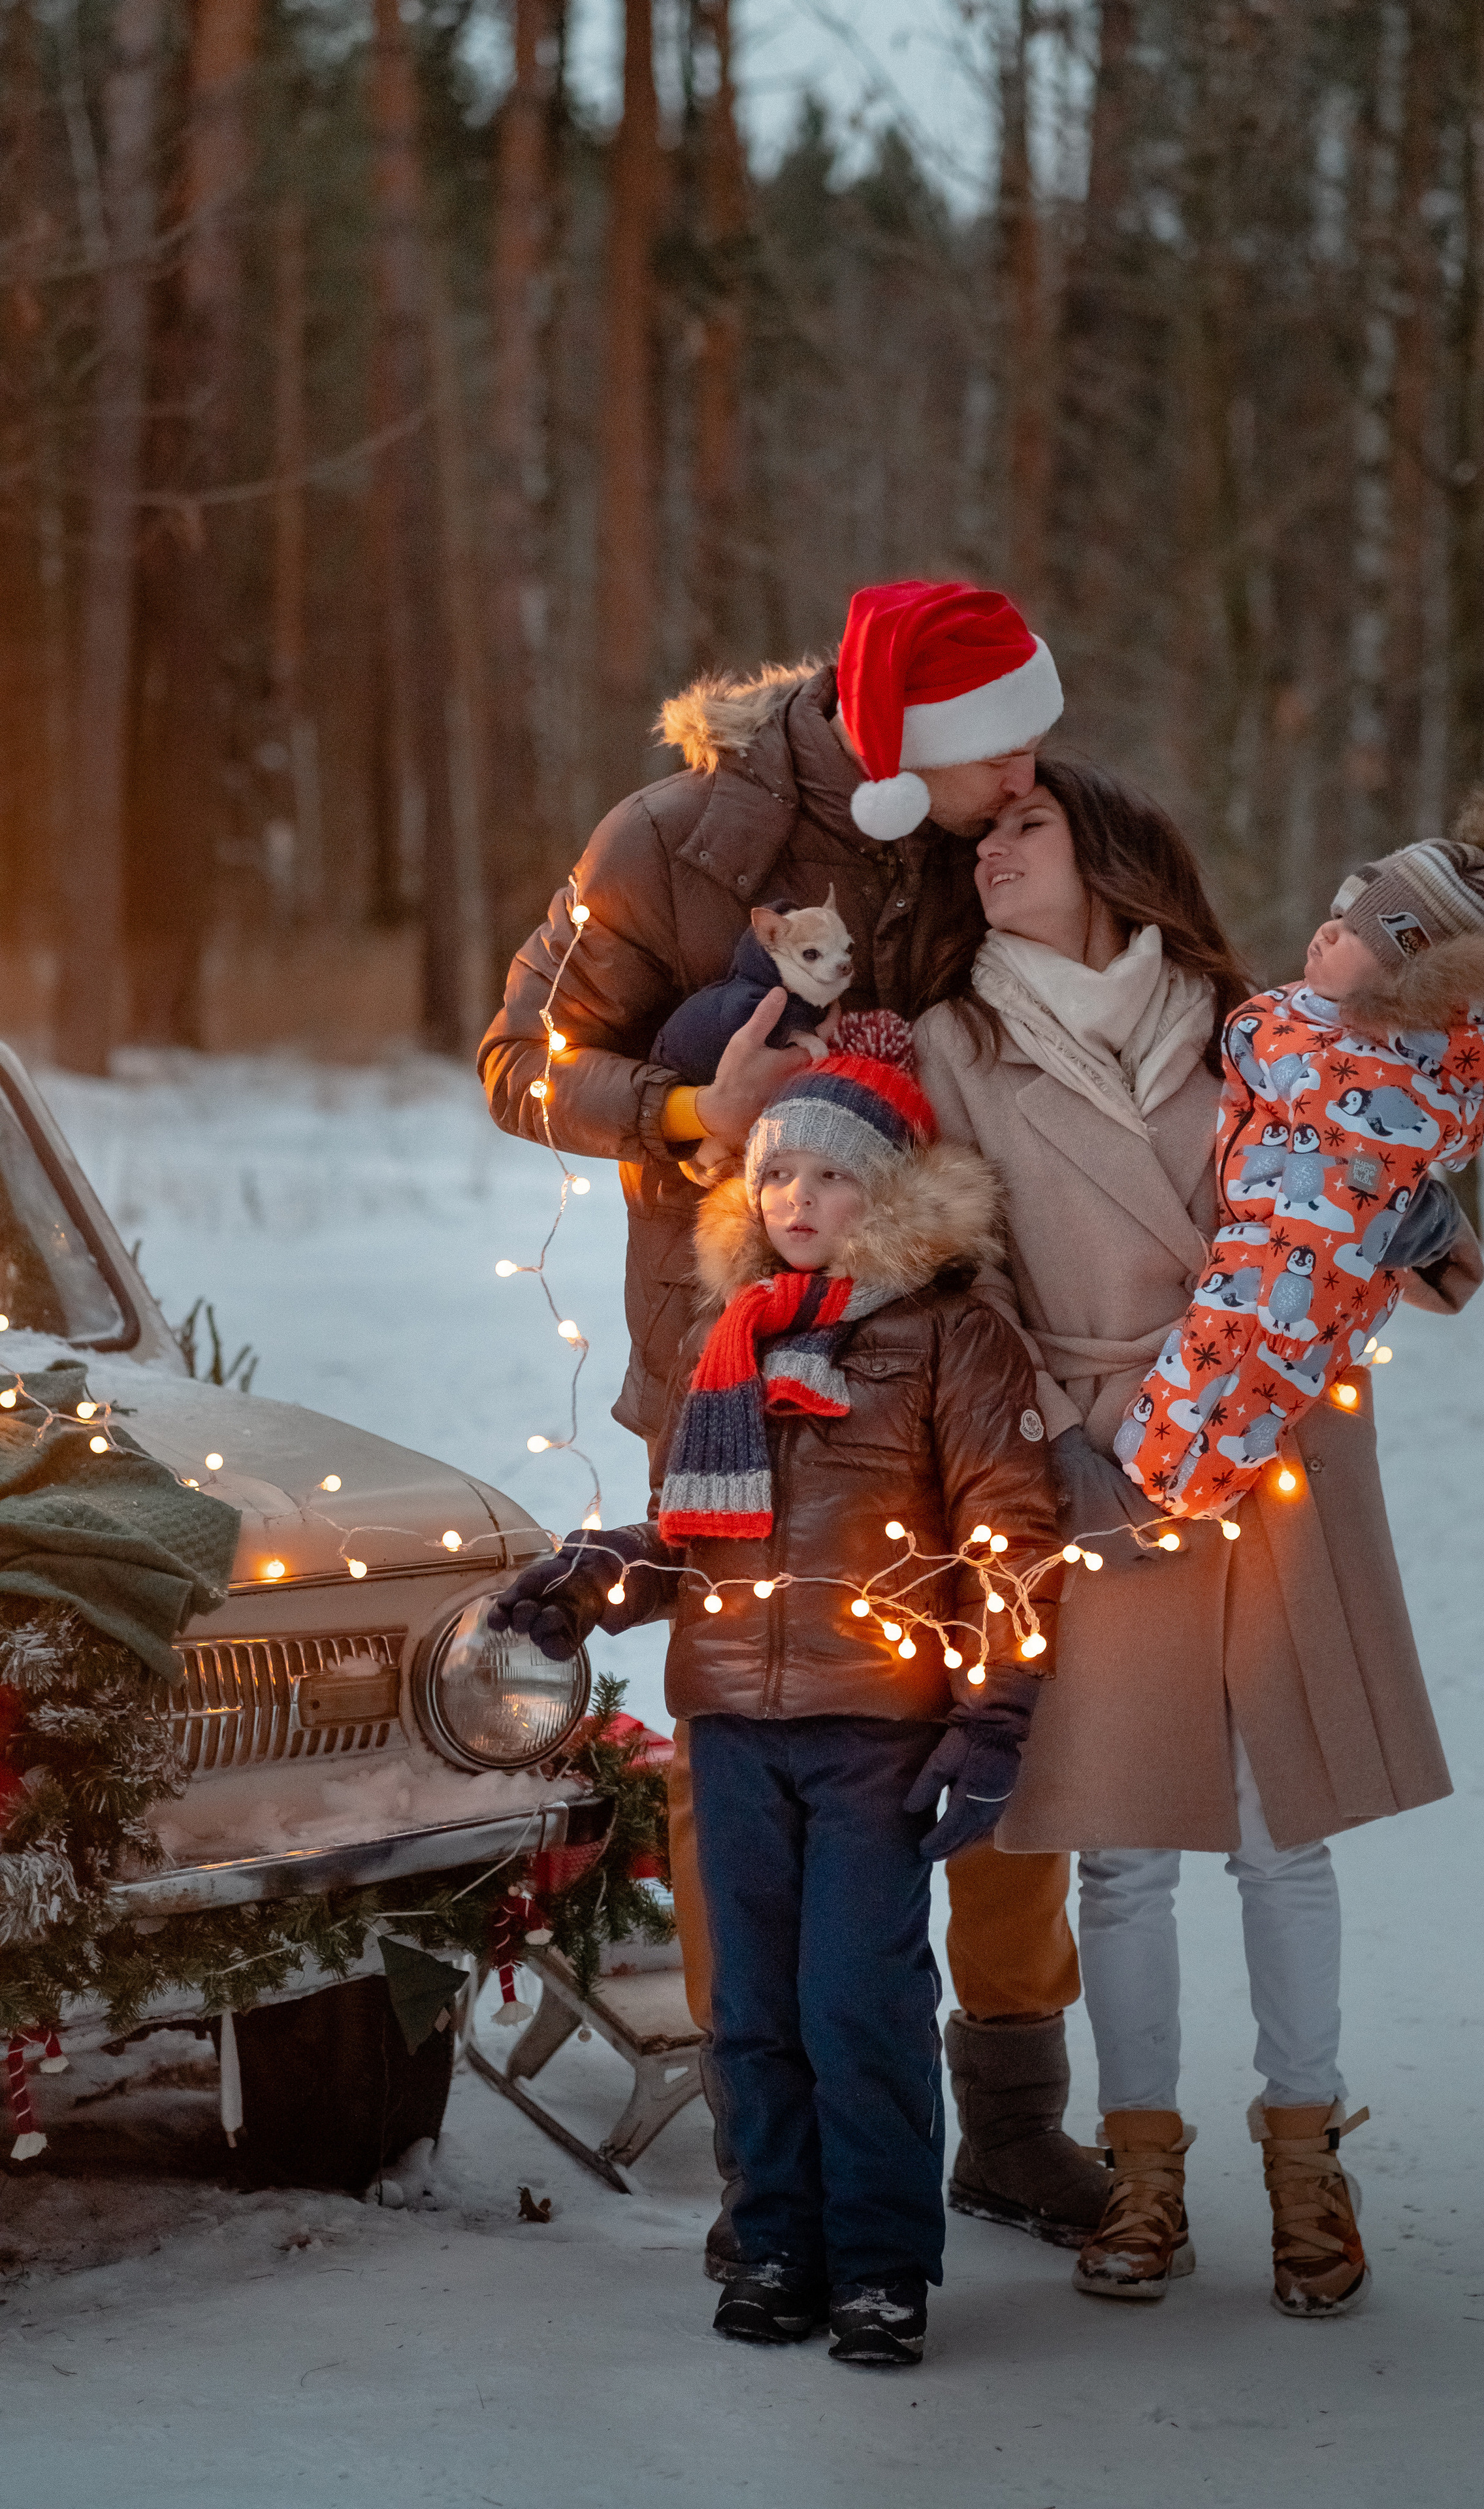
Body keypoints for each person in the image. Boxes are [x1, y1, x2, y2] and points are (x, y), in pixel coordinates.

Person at [479, 580, 1112, 2259]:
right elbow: (515, 1060)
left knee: (1002, 1698)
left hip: (977, 1351)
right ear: (904, 744)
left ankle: (1011, 2115)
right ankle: (772, 2146)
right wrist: (695, 1105)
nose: (1031, 773)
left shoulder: (1016, 835)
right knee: (745, 1734)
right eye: (1000, 749)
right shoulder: (669, 843)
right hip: (735, 1369)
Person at [913, 759, 1484, 2320]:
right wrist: (1055, 1440)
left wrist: (1421, 1221)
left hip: (1279, 1440)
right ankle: (1141, 2174)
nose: (989, 853)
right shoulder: (954, 1042)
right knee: (1119, 1848)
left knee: (1274, 1829)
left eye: (1021, 826)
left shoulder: (1248, 1015)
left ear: (1104, 852)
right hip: (1107, 1455)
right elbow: (960, 1272)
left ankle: (1306, 2159)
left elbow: (1366, 1165)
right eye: (979, 835)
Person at [490, 1053, 1063, 2365]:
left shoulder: (953, 1336)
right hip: (733, 1724)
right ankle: (773, 2244)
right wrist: (594, 1580)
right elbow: (697, 1538)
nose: (797, 1198)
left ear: (892, 1194)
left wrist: (994, 1716)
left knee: (857, 2001)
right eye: (778, 1172)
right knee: (748, 2006)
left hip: (875, 1730)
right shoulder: (732, 1336)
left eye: (830, 1176)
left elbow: (1013, 1538)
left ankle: (878, 2266)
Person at [1118, 791, 1484, 1516]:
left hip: (1286, 1277)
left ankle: (1174, 1480)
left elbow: (1327, 1237)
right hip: (1264, 1250)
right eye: (1338, 914)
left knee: (1219, 1398)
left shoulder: (1367, 1079)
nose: (1328, 932)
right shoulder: (1327, 1028)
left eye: (1361, 932)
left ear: (1412, 980)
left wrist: (1280, 1316)